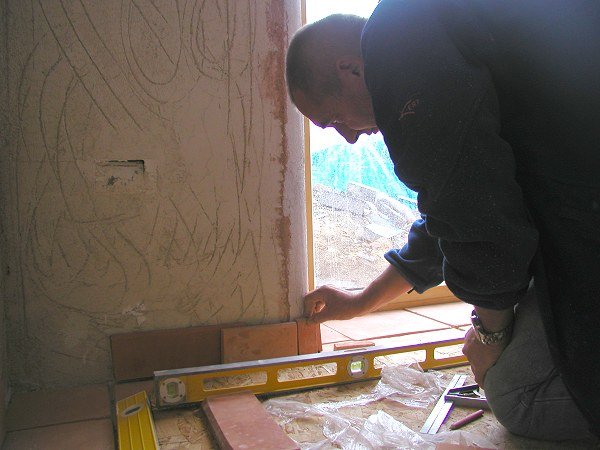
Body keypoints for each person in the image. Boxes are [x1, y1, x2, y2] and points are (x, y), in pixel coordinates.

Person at [286, 0, 600, 442]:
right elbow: (451, 213)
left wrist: (489, 337)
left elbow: (479, 221)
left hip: (584, 218)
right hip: (577, 204)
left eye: (335, 119)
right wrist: (361, 302)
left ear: (351, 69)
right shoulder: (429, 33)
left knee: (515, 394)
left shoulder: (396, 49)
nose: (349, 138)